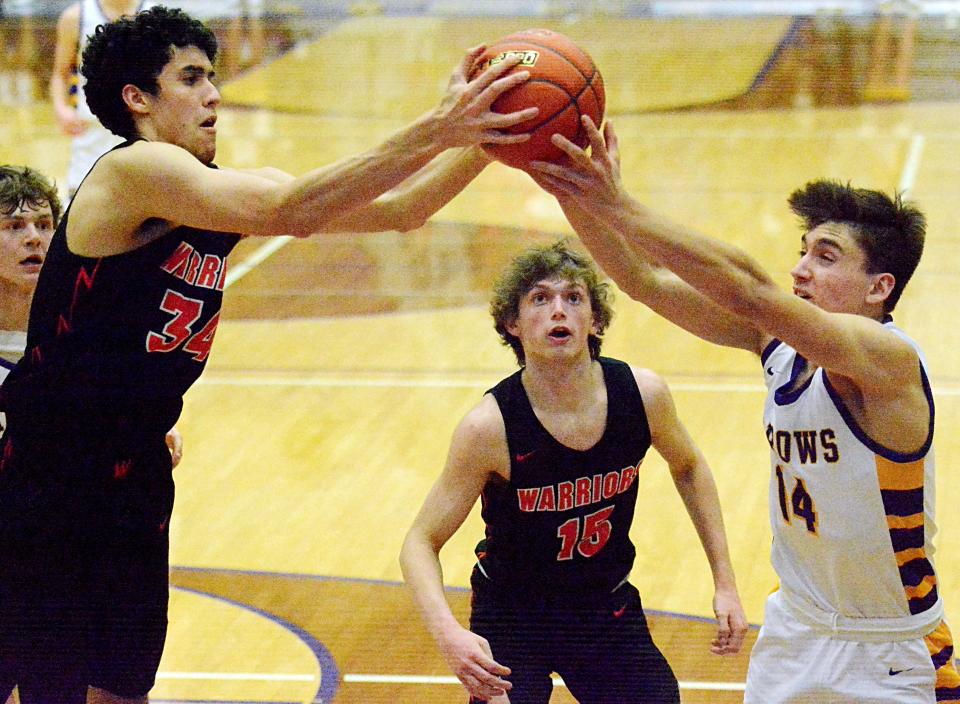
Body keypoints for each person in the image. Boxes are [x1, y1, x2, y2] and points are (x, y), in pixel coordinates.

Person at [0, 5, 539, 704]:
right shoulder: (131, 174)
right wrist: (440, 125)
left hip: (135, 473)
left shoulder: (210, 192)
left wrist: (496, 135)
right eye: (190, 78)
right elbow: (291, 207)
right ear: (138, 99)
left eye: (212, 77)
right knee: (47, 690)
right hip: (49, 478)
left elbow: (404, 209)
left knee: (122, 687)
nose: (214, 93)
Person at [530, 117, 960, 702]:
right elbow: (642, 280)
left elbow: (749, 289)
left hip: (888, 648)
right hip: (794, 631)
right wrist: (570, 189)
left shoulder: (889, 361)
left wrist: (619, 202)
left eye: (826, 257)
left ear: (879, 288)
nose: (800, 269)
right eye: (803, 251)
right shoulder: (781, 351)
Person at [400, 240, 747, 704]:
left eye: (573, 298)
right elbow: (419, 542)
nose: (557, 311)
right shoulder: (489, 427)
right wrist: (449, 636)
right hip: (513, 616)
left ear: (596, 320)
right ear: (514, 324)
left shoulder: (642, 396)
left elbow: (688, 467)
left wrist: (724, 582)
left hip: (603, 604)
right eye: (540, 299)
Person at [0, 164, 183, 704]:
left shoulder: (87, 313)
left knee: (109, 680)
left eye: (43, 224)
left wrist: (153, 426)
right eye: (13, 227)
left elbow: (142, 384)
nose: (33, 238)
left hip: (73, 527)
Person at [50, 0, 157, 198]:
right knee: (80, 206)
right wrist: (61, 109)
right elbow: (60, 73)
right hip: (90, 132)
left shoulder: (156, 14)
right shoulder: (75, 16)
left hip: (143, 132)